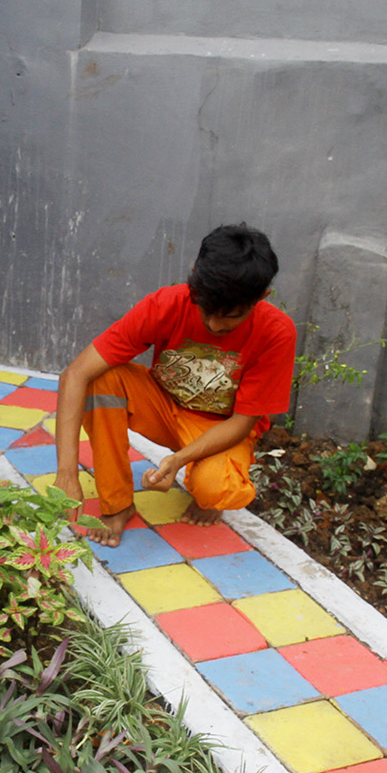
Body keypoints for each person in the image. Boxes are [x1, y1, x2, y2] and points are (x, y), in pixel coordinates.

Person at [53, 223, 296, 546]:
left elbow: (242, 423)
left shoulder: (276, 333)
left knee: (216, 489)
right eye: (207, 310)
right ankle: (118, 503)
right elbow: (75, 374)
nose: (214, 324)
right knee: (101, 378)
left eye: (231, 317)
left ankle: (206, 488)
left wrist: (179, 460)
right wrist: (67, 473)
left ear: (261, 297)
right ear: (194, 277)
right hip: (163, 408)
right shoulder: (166, 304)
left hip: (223, 428)